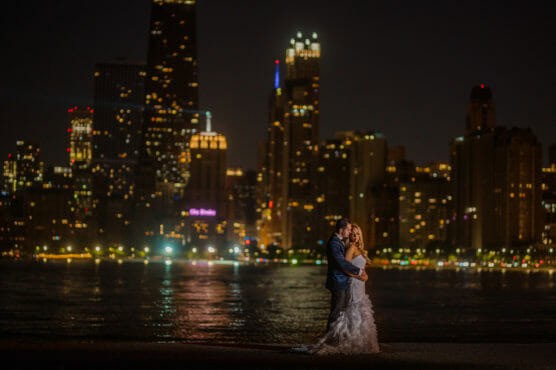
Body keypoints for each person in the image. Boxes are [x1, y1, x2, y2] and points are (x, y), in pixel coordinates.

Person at [307, 221, 380, 355]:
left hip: (356, 284)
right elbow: (343, 265)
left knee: (348, 311)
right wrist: (359, 274)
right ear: (344, 230)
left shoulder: (348, 245)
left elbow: (353, 266)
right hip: (344, 282)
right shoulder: (340, 244)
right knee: (340, 312)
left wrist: (363, 275)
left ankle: (353, 339)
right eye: (351, 232)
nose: (353, 235)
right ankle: (333, 340)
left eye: (357, 233)